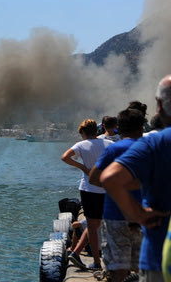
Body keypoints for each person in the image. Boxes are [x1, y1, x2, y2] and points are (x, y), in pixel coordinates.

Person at [101, 75, 171, 282]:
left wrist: (137, 215)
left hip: (160, 256)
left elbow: (110, 179)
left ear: (159, 104)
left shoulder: (155, 144)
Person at [88, 109, 145, 282]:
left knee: (118, 268)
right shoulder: (151, 149)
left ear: (119, 128)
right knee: (142, 266)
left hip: (115, 215)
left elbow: (94, 178)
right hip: (143, 215)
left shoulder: (114, 149)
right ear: (141, 128)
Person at [62, 119, 113, 270]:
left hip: (88, 189)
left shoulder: (81, 145)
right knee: (105, 223)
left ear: (83, 132)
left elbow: (65, 157)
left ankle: (95, 261)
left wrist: (83, 167)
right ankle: (85, 255)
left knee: (92, 225)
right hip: (106, 188)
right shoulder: (109, 144)